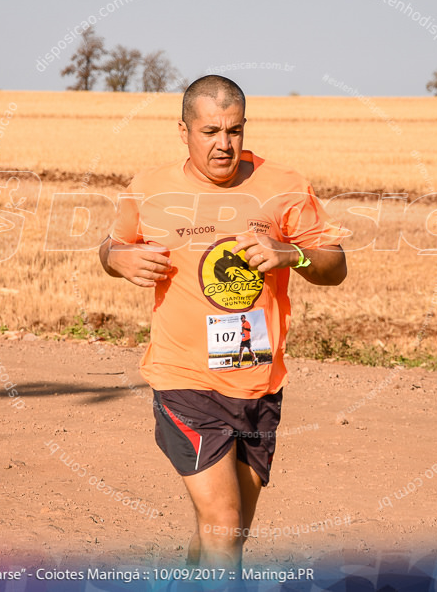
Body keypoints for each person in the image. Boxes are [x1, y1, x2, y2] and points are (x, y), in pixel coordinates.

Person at [99, 75, 347, 570]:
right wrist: (117, 259)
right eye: (210, 131)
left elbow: (335, 265)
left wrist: (292, 253)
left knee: (223, 533)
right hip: (184, 381)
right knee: (225, 522)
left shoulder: (284, 187)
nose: (223, 145)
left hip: (258, 383)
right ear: (184, 130)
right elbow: (112, 246)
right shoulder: (149, 190)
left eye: (234, 131)